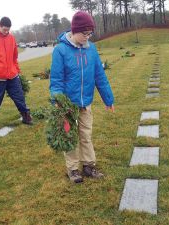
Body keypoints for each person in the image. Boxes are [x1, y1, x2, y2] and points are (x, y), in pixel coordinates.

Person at [49, 11, 115, 184]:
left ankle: (88, 166)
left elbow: (99, 76)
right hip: (68, 105)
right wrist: (58, 102)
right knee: (70, 137)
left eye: (90, 33)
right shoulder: (60, 50)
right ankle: (73, 169)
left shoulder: (91, 49)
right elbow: (56, 81)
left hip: (86, 102)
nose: (87, 37)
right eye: (84, 33)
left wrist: (108, 99)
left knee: (86, 135)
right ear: (74, 30)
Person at [0, 17, 32, 127]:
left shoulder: (11, 38)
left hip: (12, 75)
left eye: (8, 30)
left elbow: (14, 57)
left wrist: (17, 70)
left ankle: (26, 116)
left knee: (19, 96)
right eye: (4, 29)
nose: (6, 32)